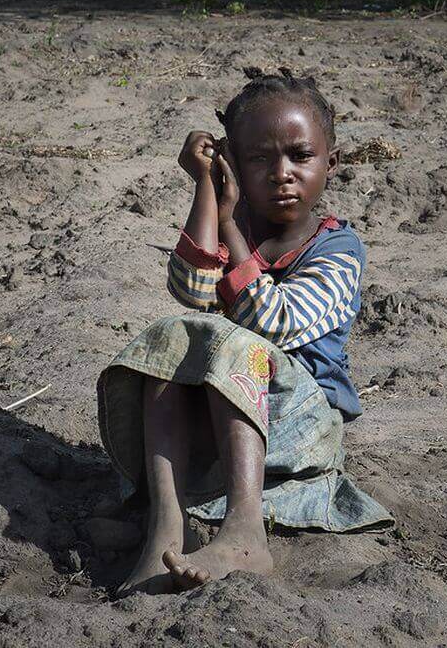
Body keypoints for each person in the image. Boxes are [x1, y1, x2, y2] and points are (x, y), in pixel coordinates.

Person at [97, 69, 392, 594]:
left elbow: (271, 322)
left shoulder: (339, 252)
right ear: (233, 161)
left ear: (332, 162)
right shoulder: (239, 222)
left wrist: (231, 227)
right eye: (258, 159)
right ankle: (167, 524)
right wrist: (206, 188)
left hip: (298, 426)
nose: (282, 173)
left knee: (234, 343)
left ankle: (245, 531)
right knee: (172, 339)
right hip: (230, 416)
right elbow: (190, 289)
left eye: (300, 157)